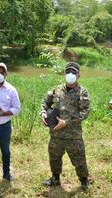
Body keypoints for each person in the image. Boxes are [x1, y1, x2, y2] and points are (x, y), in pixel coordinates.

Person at [40, 62, 91, 190]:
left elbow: (85, 113)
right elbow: (45, 103)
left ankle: (84, 180)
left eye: (74, 72)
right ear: (64, 74)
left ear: (78, 75)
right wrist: (43, 113)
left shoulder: (82, 92)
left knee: (79, 158)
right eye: (68, 72)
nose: (70, 75)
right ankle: (55, 178)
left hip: (73, 135)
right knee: (54, 157)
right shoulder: (55, 90)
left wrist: (67, 122)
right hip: (56, 134)